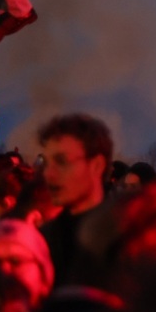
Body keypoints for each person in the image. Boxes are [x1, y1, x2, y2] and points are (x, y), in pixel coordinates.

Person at [36, 113, 113, 286]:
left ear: (97, 165)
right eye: (45, 163)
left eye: (62, 161)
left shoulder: (127, 239)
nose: (48, 174)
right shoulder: (44, 239)